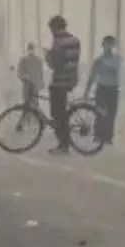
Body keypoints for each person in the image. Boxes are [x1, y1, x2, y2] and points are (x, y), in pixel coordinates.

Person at [43, 15, 81, 155]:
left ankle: (63, 145)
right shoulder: (75, 40)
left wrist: (47, 56)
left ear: (54, 28)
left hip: (60, 80)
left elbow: (56, 65)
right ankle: (64, 143)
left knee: (57, 114)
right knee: (62, 111)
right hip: (71, 78)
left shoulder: (58, 42)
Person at [84, 35, 121, 144]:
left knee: (111, 114)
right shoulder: (99, 61)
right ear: (103, 45)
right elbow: (92, 76)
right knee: (100, 113)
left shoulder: (117, 60)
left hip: (113, 89)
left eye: (111, 44)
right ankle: (98, 135)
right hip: (102, 88)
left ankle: (108, 137)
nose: (108, 47)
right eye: (106, 44)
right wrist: (87, 90)